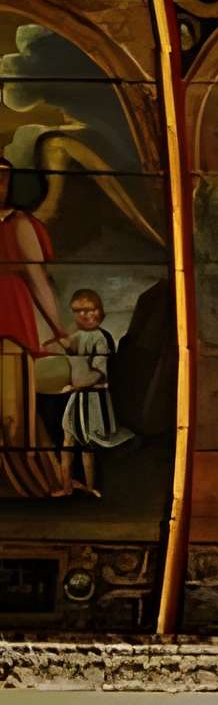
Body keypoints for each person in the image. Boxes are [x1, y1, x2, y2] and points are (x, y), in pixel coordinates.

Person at [0, 154, 67, 498]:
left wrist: (58, 329)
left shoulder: (18, 224)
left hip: (9, 315)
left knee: (10, 407)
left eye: (3, 178)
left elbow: (37, 278)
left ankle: (26, 482)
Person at [55, 288, 129, 496]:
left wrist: (76, 385)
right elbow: (69, 362)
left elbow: (99, 373)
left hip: (93, 398)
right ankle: (67, 486)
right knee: (68, 440)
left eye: (90, 309)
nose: (85, 315)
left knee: (88, 443)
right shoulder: (75, 337)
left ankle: (90, 487)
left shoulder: (101, 339)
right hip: (76, 397)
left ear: (99, 310)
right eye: (79, 311)